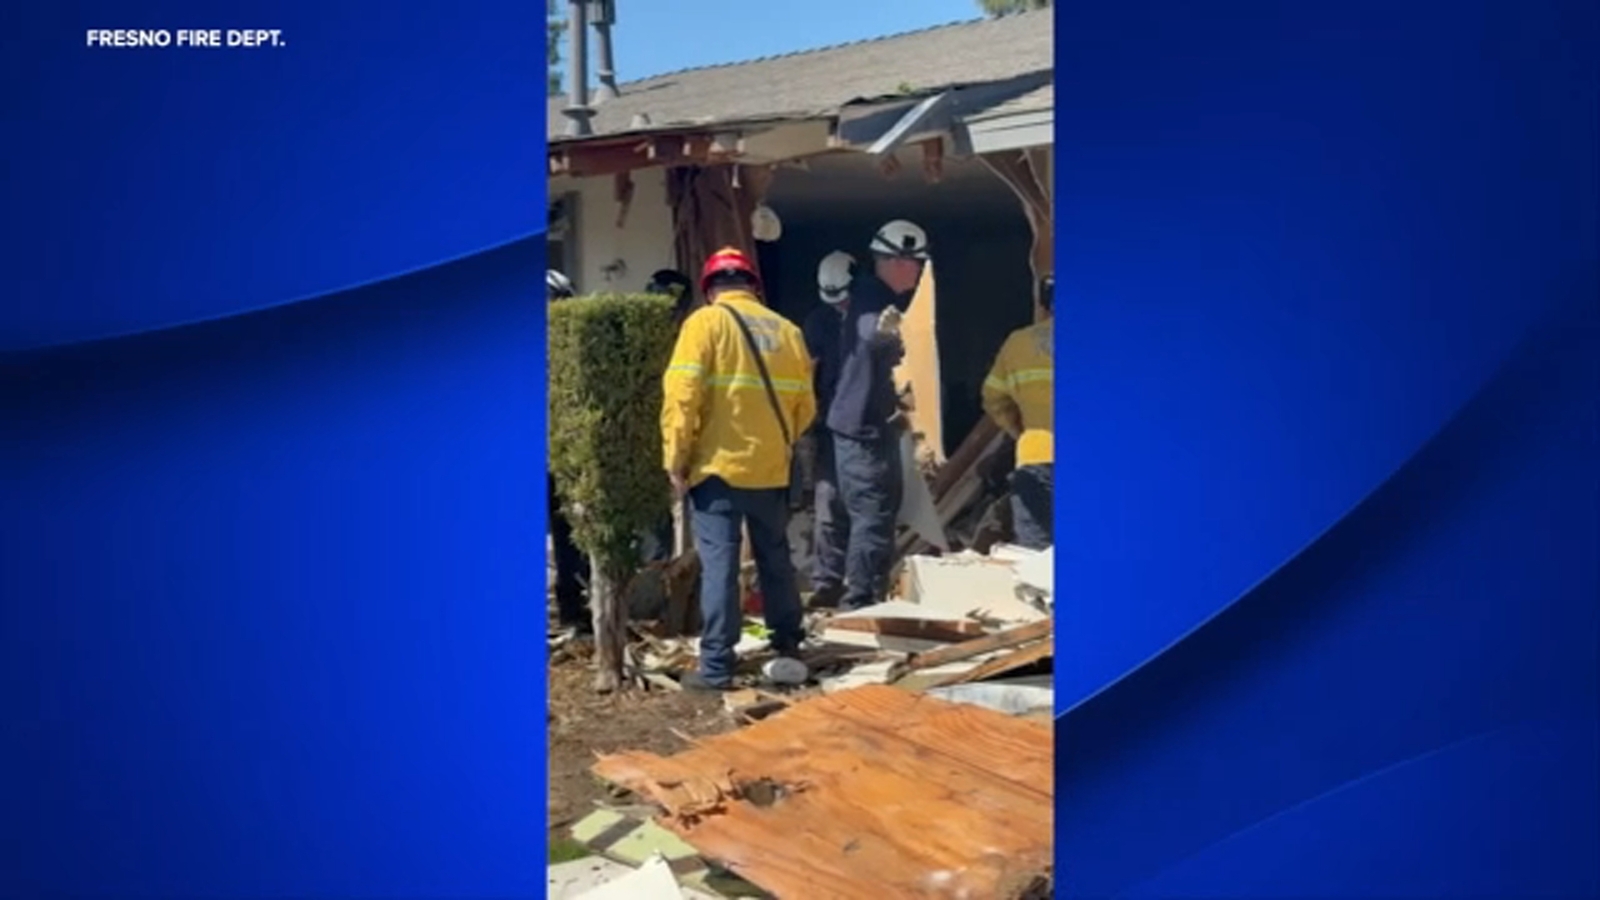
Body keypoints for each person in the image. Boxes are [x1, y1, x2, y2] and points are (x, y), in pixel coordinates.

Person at [661, 247, 816, 691]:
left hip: (717, 471)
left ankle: (716, 667)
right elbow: (806, 408)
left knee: (721, 567)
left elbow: (682, 397)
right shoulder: (788, 331)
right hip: (771, 470)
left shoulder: (704, 324)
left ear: (710, 288)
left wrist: (676, 458)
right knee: (776, 562)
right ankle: (788, 645)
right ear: (753, 285)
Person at [827, 220, 927, 610]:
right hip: (859, 430)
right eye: (914, 263)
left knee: (882, 516)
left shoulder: (887, 299)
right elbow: (870, 334)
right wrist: (894, 334)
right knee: (870, 516)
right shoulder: (871, 294)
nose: (918, 271)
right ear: (894, 261)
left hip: (876, 427)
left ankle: (872, 596)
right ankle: (859, 603)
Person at [800, 250, 857, 607]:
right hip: (831, 425)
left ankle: (865, 583)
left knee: (868, 507)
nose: (839, 305)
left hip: (869, 424)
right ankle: (828, 582)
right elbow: (808, 371)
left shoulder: (872, 318)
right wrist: (805, 422)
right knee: (829, 502)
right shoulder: (819, 321)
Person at [981, 273, 1055, 550]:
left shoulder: (1018, 343)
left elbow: (993, 398)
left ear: (1045, 304)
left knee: (1037, 554)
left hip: (1036, 455)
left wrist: (1020, 432)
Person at [547, 269, 592, 635]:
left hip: (560, 457)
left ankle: (573, 610)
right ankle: (572, 611)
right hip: (556, 455)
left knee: (569, 537)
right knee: (567, 537)